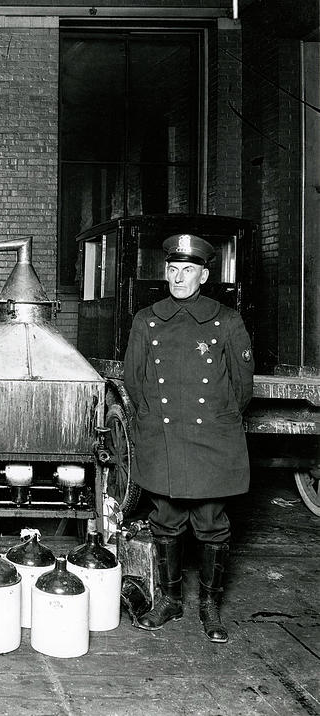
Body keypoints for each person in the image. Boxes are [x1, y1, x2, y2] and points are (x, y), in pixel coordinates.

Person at [124, 233, 254, 643]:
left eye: (188, 271)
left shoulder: (225, 320)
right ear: (165, 273)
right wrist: (157, 421)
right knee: (165, 520)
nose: (179, 278)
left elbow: (241, 387)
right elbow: (134, 379)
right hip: (163, 436)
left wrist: (215, 421)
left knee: (212, 522)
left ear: (204, 275)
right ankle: (170, 600)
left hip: (210, 439)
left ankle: (210, 607)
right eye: (173, 270)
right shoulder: (147, 318)